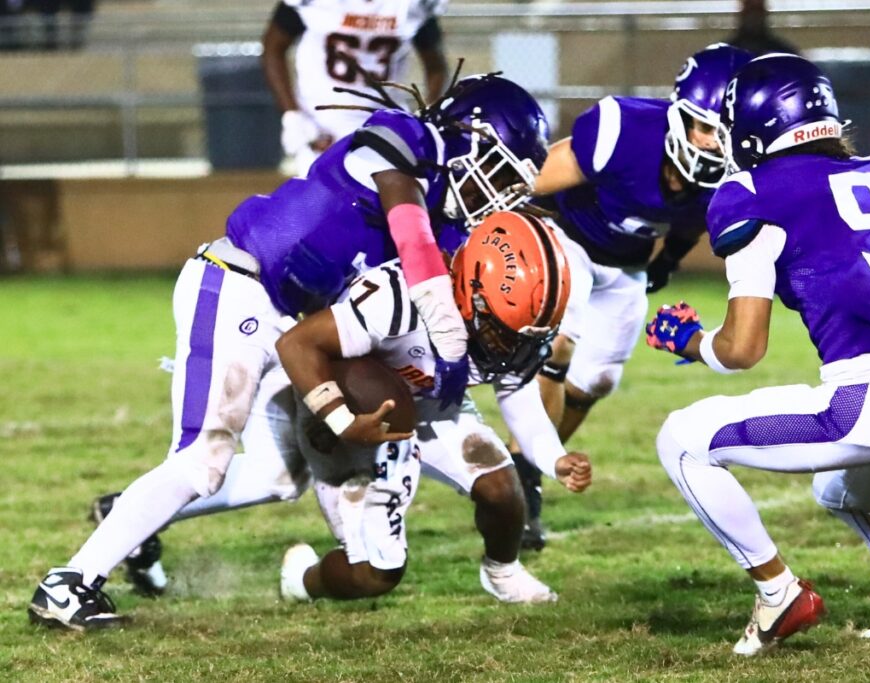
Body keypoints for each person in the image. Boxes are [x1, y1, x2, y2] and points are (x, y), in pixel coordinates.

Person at [28, 75, 549, 630]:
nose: (498, 192)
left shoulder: (445, 218)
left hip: (296, 319)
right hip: (238, 284)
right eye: (499, 172)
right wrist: (444, 335)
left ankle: (126, 514)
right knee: (203, 457)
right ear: (469, 138)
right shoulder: (405, 140)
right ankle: (69, 585)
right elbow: (411, 237)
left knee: (276, 475)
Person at [649, 53, 870, 655]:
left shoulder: (752, 194)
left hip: (865, 406)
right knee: (842, 493)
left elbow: (743, 348)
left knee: (680, 440)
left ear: (754, 126)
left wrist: (692, 341)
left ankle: (778, 593)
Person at [275, 212, 591, 603]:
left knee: (501, 491)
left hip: (429, 405)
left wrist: (554, 458)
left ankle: (502, 572)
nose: (512, 347)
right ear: (470, 290)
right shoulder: (399, 299)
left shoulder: (503, 326)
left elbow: (518, 395)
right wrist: (338, 419)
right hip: (354, 415)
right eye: (503, 332)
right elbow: (297, 344)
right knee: (375, 575)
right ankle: (301, 582)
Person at [510, 43, 753, 550]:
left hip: (627, 263)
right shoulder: (622, 129)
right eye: (706, 128)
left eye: (727, 133)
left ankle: (520, 465)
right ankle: (528, 484)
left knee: (597, 379)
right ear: (680, 115)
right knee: (559, 347)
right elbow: (530, 180)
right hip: (567, 240)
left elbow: (691, 222)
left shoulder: (732, 177)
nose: (715, 144)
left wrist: (669, 261)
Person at [262, 0, 450, 176]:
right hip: (323, 123)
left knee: (397, 193)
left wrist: (428, 115)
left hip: (387, 122)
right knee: (325, 196)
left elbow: (436, 67)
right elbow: (273, 47)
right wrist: (293, 115)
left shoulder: (412, 4)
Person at [727, 0, 800, 57]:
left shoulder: (784, 53)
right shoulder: (728, 54)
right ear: (742, 12)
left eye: (758, 9)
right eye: (751, 9)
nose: (754, 16)